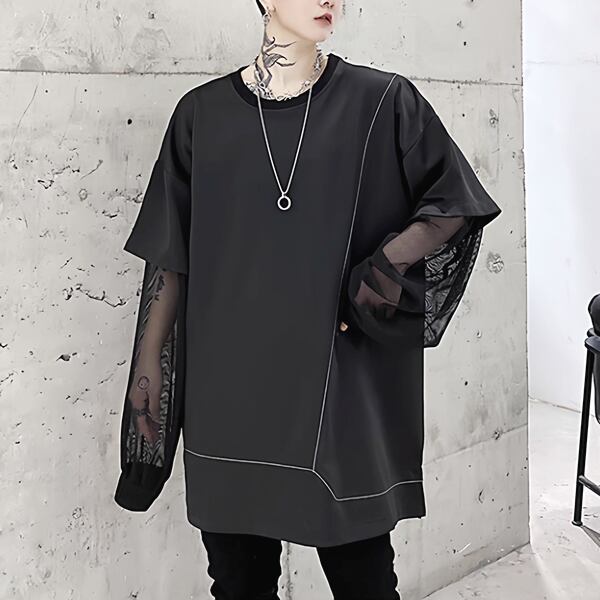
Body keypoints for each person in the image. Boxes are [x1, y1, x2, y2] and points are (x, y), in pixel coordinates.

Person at [113, 0, 502, 598]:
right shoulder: (200, 115)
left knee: (365, 583)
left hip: (338, 398)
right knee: (239, 585)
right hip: (229, 403)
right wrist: (149, 370)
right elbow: (170, 259)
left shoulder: (383, 102)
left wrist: (385, 268)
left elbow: (454, 202)